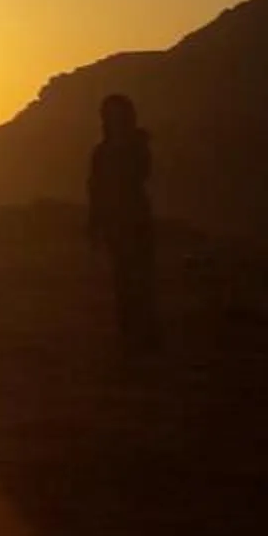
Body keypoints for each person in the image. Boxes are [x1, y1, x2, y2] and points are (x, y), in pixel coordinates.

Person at [87, 94, 161, 356]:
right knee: (123, 278)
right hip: (116, 221)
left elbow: (140, 175)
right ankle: (129, 334)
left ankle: (144, 334)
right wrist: (95, 223)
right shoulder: (103, 151)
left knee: (139, 276)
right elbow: (94, 189)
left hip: (134, 218)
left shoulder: (133, 147)